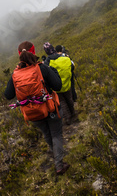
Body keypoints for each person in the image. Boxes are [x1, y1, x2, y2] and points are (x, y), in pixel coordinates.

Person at [4, 41, 70, 175]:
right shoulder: (42, 68)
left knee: (47, 134)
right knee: (56, 134)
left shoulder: (15, 74)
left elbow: (8, 95)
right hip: (50, 107)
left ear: (19, 55)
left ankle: (57, 157)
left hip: (32, 112)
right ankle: (59, 164)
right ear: (33, 51)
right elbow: (57, 86)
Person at [44, 44, 77, 125]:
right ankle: (73, 113)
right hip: (67, 84)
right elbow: (72, 67)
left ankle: (68, 119)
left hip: (57, 87)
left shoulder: (47, 62)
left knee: (62, 102)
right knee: (69, 99)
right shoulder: (65, 58)